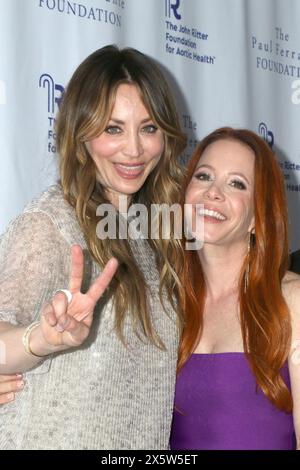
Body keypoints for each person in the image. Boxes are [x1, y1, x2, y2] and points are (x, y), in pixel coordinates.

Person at [0, 45, 187, 450]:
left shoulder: (158, 237)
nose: (135, 150)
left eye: (150, 128)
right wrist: (41, 340)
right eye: (113, 129)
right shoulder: (49, 225)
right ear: (80, 133)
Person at [170, 127, 300, 450]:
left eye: (236, 184)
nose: (213, 192)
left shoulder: (292, 302)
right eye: (203, 177)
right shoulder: (167, 304)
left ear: (259, 216)